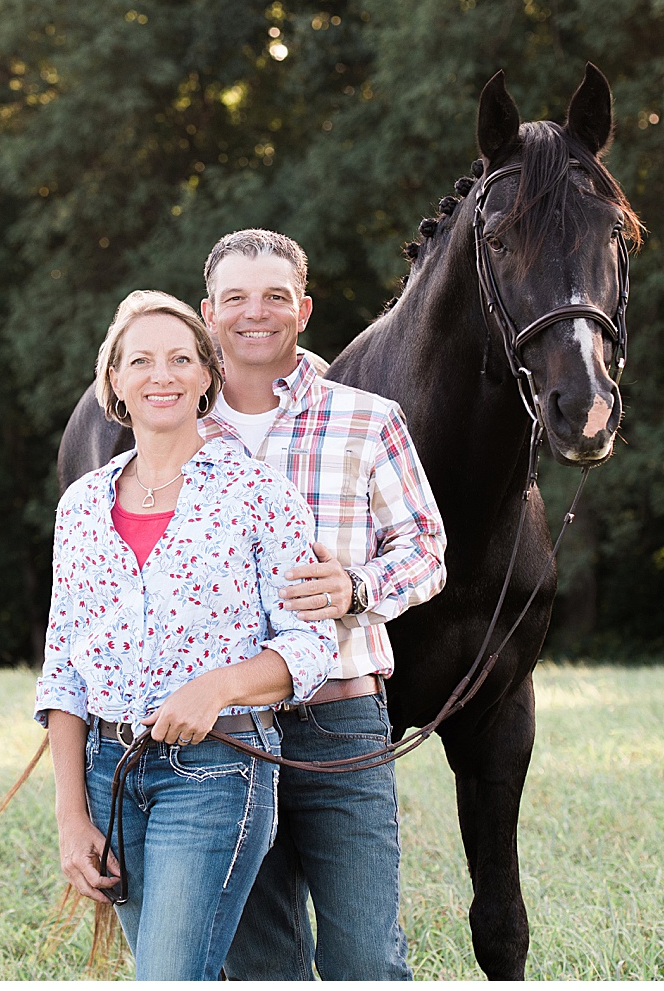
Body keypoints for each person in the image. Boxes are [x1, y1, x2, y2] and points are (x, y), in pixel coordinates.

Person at [35, 289, 338, 982]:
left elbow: (311, 645)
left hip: (217, 771)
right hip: (109, 775)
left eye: (179, 359)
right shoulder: (81, 505)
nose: (161, 375)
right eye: (140, 361)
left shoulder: (258, 494)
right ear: (114, 381)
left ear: (207, 374)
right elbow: (63, 670)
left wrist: (218, 687)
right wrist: (71, 816)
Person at [200, 229, 448, 982]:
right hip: (227, 733)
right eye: (236, 298)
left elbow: (427, 548)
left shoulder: (368, 419)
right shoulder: (173, 430)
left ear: (303, 310)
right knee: (261, 965)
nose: (256, 313)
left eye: (275, 296)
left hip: (341, 720)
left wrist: (357, 587)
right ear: (208, 312)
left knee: (366, 958)